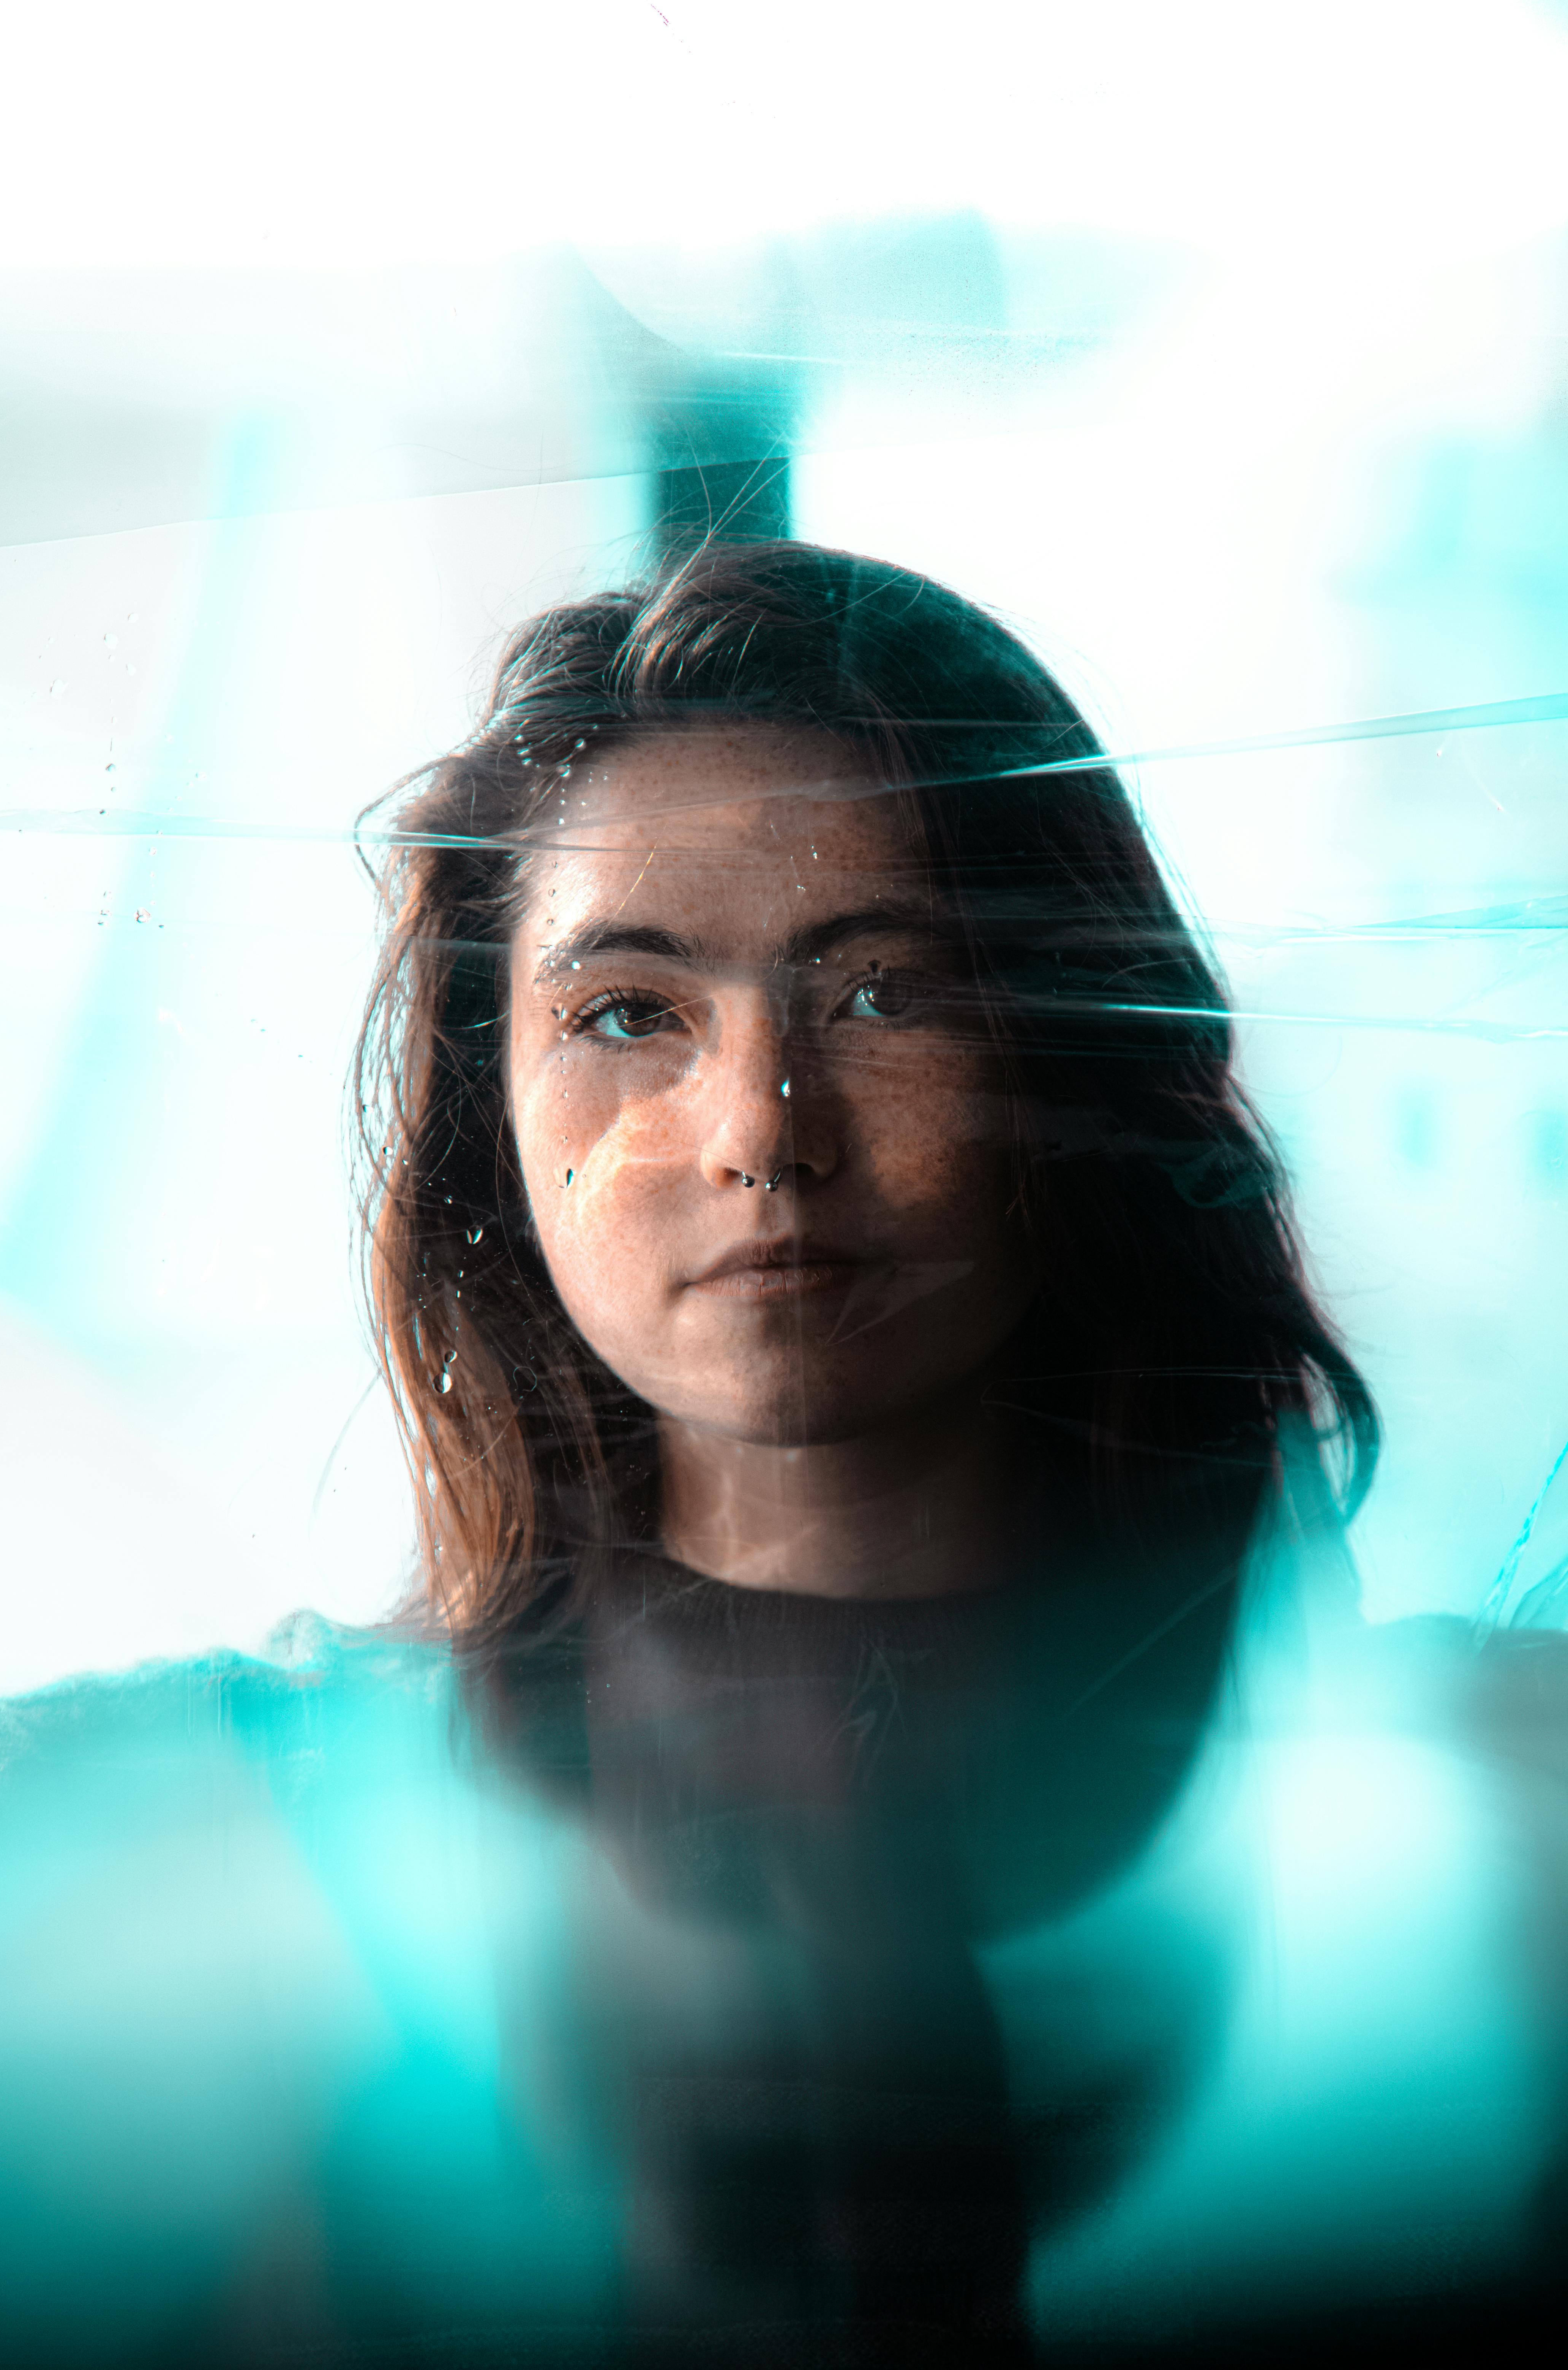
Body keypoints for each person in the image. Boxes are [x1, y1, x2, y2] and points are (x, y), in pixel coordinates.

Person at [348, 537, 1380, 2360]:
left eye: (883, 991)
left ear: (1069, 1051)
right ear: (480, 1123)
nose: (759, 1127)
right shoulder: (301, 1817)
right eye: (626, 1013)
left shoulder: (1431, 1813)